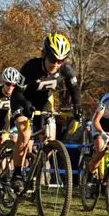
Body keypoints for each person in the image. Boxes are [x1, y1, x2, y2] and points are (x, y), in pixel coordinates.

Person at [16, 33, 82, 191]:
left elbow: (74, 89)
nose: (56, 64)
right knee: (25, 135)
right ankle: (17, 174)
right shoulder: (31, 67)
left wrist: (78, 106)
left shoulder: (66, 69)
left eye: (61, 60)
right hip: (23, 100)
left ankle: (36, 165)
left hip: (44, 102)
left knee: (50, 140)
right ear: (45, 54)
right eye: (53, 59)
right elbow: (16, 92)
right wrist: (25, 105)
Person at [0, 66, 33, 156]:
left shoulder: (18, 95)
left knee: (14, 141)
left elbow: (25, 108)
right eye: (8, 84)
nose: (11, 87)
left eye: (14, 85)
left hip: (9, 123)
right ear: (3, 82)